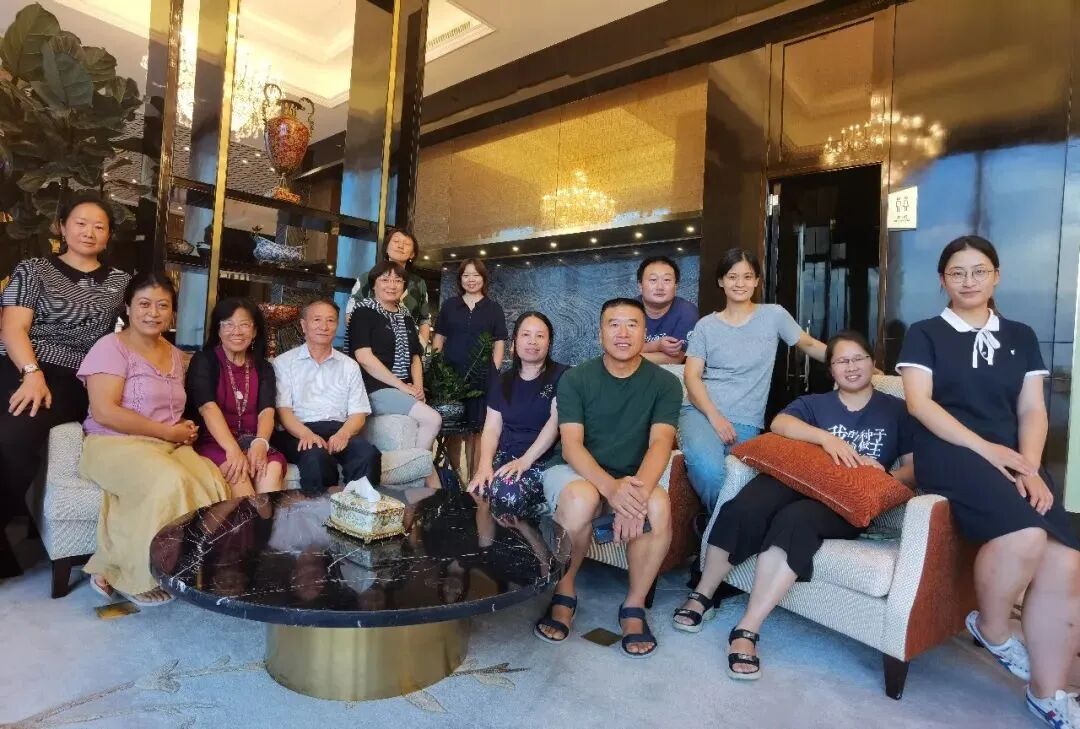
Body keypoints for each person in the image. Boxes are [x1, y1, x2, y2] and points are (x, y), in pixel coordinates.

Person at [897, 235, 1080, 728]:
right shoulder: (925, 332)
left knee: (1066, 561)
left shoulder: (1021, 334)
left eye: (979, 271)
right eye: (957, 273)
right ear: (942, 281)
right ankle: (993, 629)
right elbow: (919, 404)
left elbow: (1032, 409)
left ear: (997, 276)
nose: (969, 281)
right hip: (951, 453)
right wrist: (988, 450)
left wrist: (1028, 466)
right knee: (1026, 536)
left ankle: (1047, 694)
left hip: (1013, 457)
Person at [674, 331, 915, 680]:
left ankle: (748, 628)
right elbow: (779, 423)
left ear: (872, 363)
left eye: (858, 359)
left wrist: (882, 476)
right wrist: (825, 439)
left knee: (795, 521)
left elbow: (913, 469)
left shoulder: (896, 410)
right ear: (831, 369)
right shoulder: (815, 404)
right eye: (842, 361)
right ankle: (703, 593)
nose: (851, 367)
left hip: (845, 500)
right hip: (798, 481)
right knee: (745, 506)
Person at [536, 298, 681, 658]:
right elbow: (572, 446)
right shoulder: (576, 378)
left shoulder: (665, 383)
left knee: (659, 506)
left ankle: (634, 605)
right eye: (613, 324)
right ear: (600, 333)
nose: (623, 332)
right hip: (574, 470)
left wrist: (635, 499)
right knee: (581, 498)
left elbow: (661, 443)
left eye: (632, 324)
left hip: (631, 477)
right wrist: (611, 490)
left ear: (645, 333)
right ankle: (564, 590)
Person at [77, 272, 230, 606]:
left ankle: (183, 570)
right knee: (169, 481)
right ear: (128, 307)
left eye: (163, 306)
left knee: (212, 481)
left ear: (172, 312)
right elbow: (104, 412)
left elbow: (171, 410)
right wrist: (167, 431)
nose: (153, 313)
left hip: (167, 445)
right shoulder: (110, 347)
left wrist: (183, 428)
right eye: (144, 304)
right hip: (113, 443)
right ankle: (131, 574)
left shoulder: (175, 354)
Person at [0, 192, 131, 578]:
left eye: (99, 226)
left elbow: (138, 327)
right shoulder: (34, 269)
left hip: (73, 376)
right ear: (62, 227)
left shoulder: (121, 282)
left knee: (13, 437)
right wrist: (31, 372)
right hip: (19, 362)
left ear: (108, 235)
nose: (89, 232)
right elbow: (13, 327)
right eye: (80, 223)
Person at [681, 248, 827, 511]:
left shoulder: (774, 315)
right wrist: (715, 417)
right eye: (732, 276)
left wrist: (853, 361)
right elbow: (691, 377)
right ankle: (719, 527)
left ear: (757, 281)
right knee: (709, 471)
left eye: (747, 277)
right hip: (702, 412)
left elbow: (808, 344)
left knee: (740, 483)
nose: (740, 283)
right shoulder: (706, 326)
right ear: (721, 281)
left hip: (747, 418)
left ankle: (711, 526)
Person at [271, 297, 381, 494]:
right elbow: (283, 412)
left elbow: (358, 413)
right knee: (316, 457)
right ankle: (319, 511)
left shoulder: (349, 366)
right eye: (317, 320)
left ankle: (360, 509)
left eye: (330, 320)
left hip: (338, 429)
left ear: (337, 326)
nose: (324, 326)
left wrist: (344, 434)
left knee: (367, 454)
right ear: (303, 325)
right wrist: (306, 434)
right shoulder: (283, 363)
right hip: (297, 431)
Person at [348, 260, 442, 490]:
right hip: (373, 388)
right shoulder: (363, 312)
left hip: (402, 387)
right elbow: (364, 357)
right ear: (374, 284)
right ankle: (416, 475)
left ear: (404, 287)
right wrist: (402, 386)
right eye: (385, 280)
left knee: (427, 415)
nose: (392, 285)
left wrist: (418, 388)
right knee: (433, 419)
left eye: (398, 280)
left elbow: (415, 356)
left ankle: (421, 477)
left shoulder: (405, 315)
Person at [468, 311, 567, 518]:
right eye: (526, 335)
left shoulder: (563, 376)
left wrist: (525, 461)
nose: (532, 341)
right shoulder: (502, 381)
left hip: (543, 461)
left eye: (540, 336)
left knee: (507, 494)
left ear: (549, 342)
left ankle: (534, 530)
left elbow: (555, 423)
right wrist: (484, 466)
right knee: (476, 491)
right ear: (515, 341)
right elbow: (491, 428)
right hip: (506, 459)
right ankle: (489, 542)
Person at [186, 297, 286, 494]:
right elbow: (207, 408)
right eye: (228, 324)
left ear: (254, 331)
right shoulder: (204, 361)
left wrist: (260, 443)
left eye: (244, 325)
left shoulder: (263, 367)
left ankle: (267, 516)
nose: (237, 331)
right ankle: (253, 517)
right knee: (238, 475)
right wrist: (232, 449)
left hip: (253, 441)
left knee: (271, 470)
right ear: (218, 330)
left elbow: (266, 411)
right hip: (216, 442)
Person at [433, 258, 508, 475]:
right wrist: (437, 368)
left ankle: (474, 479)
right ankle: (454, 477)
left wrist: (493, 371)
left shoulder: (493, 308)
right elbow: (439, 338)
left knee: (477, 431)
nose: (471, 279)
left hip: (482, 379)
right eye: (466, 275)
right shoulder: (449, 306)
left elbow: (499, 342)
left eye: (475, 275)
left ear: (483, 278)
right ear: (460, 279)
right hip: (451, 379)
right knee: (453, 430)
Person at [346, 227, 432, 345]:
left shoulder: (419, 283)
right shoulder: (367, 277)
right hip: (370, 345)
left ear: (412, 254)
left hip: (407, 348)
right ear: (386, 247)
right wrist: (363, 345)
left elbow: (424, 320)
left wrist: (421, 348)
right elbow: (351, 314)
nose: (400, 246)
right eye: (396, 241)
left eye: (406, 244)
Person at [637, 255, 699, 365]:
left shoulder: (687, 312)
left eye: (667, 280)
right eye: (653, 280)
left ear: (676, 286)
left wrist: (628, 358)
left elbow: (676, 358)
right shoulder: (627, 310)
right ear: (640, 285)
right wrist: (657, 346)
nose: (660, 287)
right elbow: (616, 350)